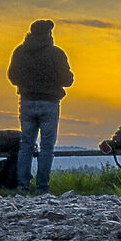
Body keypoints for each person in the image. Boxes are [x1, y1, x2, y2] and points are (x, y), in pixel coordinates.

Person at [6, 19, 72, 194]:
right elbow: (67, 80)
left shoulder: (19, 52)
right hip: (49, 102)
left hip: (27, 101)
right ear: (48, 34)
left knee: (26, 144)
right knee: (47, 147)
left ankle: (22, 186)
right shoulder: (56, 53)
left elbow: (12, 76)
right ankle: (42, 187)